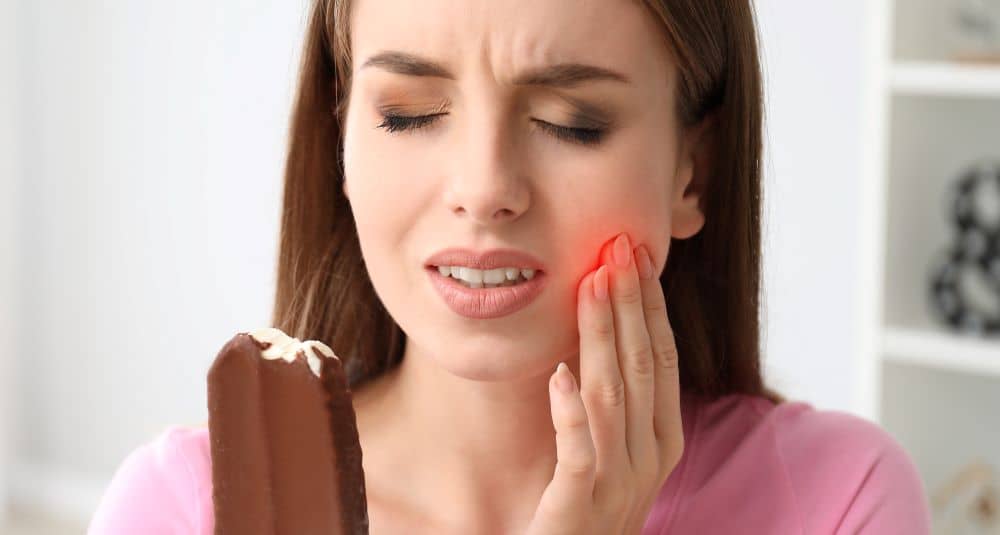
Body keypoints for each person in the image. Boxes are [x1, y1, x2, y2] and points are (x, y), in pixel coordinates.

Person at [88, 0, 933, 533]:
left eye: (572, 122)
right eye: (411, 114)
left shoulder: (837, 500)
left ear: (693, 171)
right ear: (340, 139)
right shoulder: (181, 509)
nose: (484, 188)